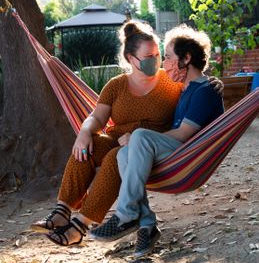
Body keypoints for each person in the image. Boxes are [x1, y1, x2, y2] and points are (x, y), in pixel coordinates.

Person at [31, 21, 223, 246]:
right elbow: (97, 117)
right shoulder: (116, 85)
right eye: (149, 56)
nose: (158, 61)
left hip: (151, 144)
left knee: (118, 155)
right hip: (119, 139)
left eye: (159, 55)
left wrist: (214, 83)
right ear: (132, 59)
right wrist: (84, 131)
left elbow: (195, 81)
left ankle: (82, 224)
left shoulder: (170, 81)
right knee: (88, 145)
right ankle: (62, 210)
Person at [89, 25, 224, 257]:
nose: (164, 63)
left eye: (169, 57)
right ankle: (147, 226)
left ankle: (126, 214)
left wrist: (138, 137)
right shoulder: (186, 88)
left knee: (139, 137)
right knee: (123, 154)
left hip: (189, 155)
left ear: (186, 58)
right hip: (176, 153)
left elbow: (182, 134)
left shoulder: (205, 90)